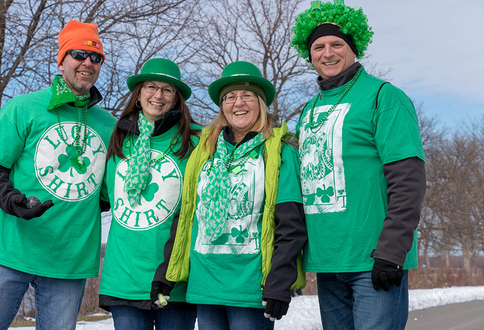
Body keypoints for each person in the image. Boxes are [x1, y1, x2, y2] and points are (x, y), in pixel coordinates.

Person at [0, 20, 116, 330]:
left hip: (69, 259)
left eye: (95, 57)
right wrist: (13, 200)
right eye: (78, 54)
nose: (87, 63)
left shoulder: (109, 125)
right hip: (12, 249)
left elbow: (107, 191)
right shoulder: (24, 108)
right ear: (61, 60)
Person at [290, 1, 426, 329]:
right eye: (318, 46)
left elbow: (408, 180)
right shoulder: (307, 111)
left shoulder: (384, 97)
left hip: (374, 260)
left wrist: (392, 251)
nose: (327, 53)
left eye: (337, 44)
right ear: (309, 55)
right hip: (327, 261)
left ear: (354, 48)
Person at [152, 61, 307, 330]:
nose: (238, 103)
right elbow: (187, 216)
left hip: (249, 286)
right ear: (222, 106)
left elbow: (290, 224)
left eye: (247, 94)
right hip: (205, 281)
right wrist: (166, 272)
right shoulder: (204, 151)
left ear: (260, 102)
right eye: (230, 97)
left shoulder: (280, 153)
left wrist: (280, 282)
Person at [98, 58, 200, 330]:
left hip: (174, 277)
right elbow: (100, 198)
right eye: (151, 87)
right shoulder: (118, 139)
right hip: (124, 277)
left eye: (167, 90)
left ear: (177, 99)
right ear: (139, 94)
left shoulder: (196, 141)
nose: (158, 95)